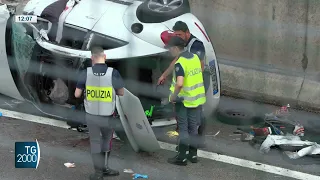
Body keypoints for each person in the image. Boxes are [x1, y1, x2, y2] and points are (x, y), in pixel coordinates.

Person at [74, 46, 125, 180]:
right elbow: (121, 92)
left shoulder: (86, 72)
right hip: (108, 115)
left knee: (95, 141)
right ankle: (105, 169)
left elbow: (77, 93)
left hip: (91, 115)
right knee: (107, 140)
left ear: (92, 58)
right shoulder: (113, 73)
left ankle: (97, 174)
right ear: (105, 57)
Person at [158, 21, 210, 148]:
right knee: (186, 112)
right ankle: (188, 140)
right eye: (176, 34)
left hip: (198, 79)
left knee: (197, 111)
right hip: (187, 81)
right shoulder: (181, 46)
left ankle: (198, 140)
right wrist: (164, 75)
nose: (178, 37)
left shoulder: (196, 45)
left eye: (180, 34)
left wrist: (183, 80)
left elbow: (200, 66)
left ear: (187, 32)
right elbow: (177, 60)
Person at [164, 36, 206, 165]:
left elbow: (180, 83)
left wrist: (173, 96)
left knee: (183, 128)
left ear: (176, 48)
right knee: (193, 127)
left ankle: (181, 157)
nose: (170, 51)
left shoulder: (180, 63)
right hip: (196, 99)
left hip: (183, 100)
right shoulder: (194, 58)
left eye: (170, 49)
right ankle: (193, 155)